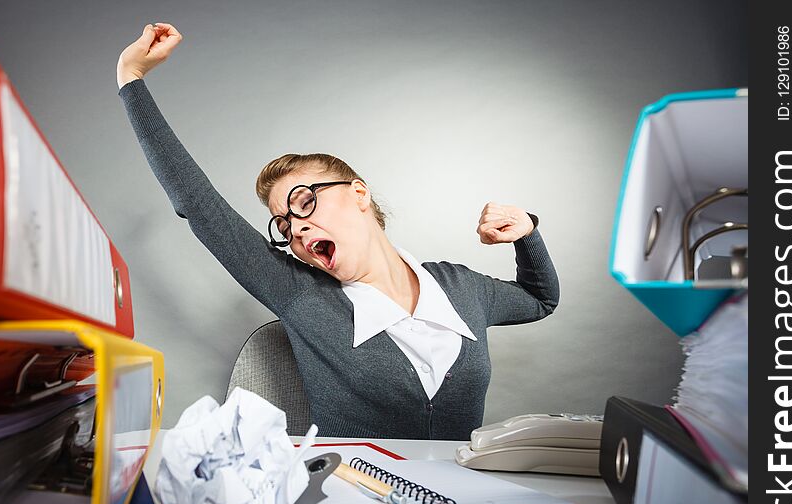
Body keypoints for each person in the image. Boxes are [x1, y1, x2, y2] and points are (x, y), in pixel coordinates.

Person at [117, 23, 559, 440]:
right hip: (350, 502)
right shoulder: (301, 296)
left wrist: (527, 233)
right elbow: (200, 206)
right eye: (284, 225)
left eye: (306, 201)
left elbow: (541, 300)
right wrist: (131, 77)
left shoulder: (460, 288)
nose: (297, 227)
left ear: (359, 194)